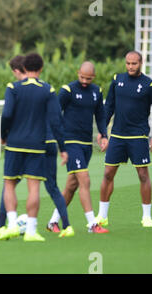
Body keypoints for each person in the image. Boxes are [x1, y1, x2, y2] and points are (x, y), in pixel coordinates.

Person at [0, 55, 74, 239]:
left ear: (23, 67)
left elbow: (6, 114)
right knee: (34, 188)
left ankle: (12, 225)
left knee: (9, 184)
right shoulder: (47, 90)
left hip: (14, 143)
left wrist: (3, 135)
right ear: (41, 68)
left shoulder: (13, 88)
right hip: (37, 145)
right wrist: (63, 149)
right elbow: (56, 121)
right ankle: (31, 231)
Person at [96, 51, 152, 228]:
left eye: (134, 63)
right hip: (117, 135)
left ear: (141, 63)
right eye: (128, 63)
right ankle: (102, 216)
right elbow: (108, 106)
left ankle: (147, 217)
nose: (130, 66)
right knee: (108, 174)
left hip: (138, 136)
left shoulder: (149, 84)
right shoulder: (117, 80)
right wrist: (103, 132)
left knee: (143, 175)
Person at [46, 62, 109, 234]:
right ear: (77, 72)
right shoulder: (68, 90)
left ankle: (52, 222)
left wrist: (104, 135)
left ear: (93, 77)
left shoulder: (97, 91)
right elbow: (55, 114)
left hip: (86, 144)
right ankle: (92, 224)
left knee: (71, 186)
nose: (84, 81)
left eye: (88, 78)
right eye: (82, 77)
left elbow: (101, 115)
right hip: (70, 141)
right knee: (85, 179)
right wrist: (56, 139)